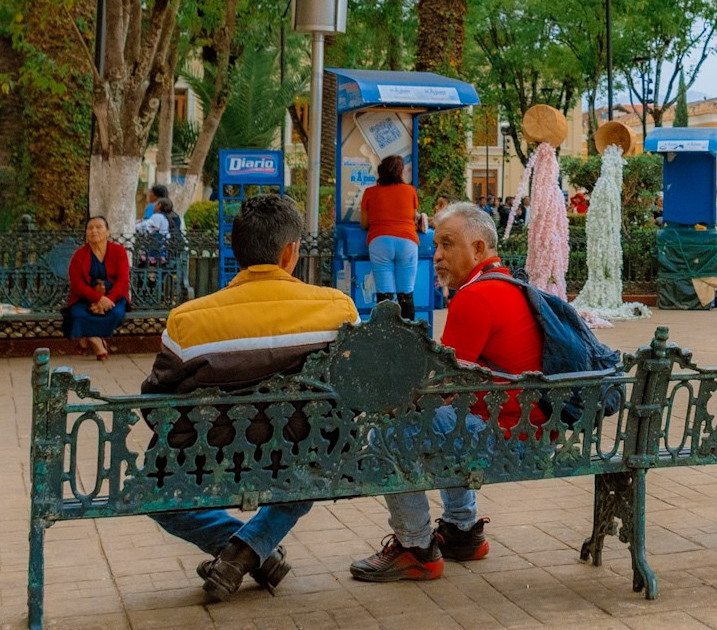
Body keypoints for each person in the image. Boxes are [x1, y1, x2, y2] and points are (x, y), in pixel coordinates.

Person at [143, 192, 359, 601]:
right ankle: (251, 549)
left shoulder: (188, 320)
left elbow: (158, 405)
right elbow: (355, 391)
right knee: (320, 453)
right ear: (290, 252)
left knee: (154, 488)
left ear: (235, 250)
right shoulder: (338, 309)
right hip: (305, 451)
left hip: (209, 458)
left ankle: (241, 550)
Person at [351, 202, 536, 582]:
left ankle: (415, 547)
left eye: (447, 244)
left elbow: (440, 388)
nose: (436, 256)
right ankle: (461, 531)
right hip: (528, 429)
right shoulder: (508, 284)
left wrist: (388, 402)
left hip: (509, 439)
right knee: (437, 422)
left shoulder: (475, 297)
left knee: (389, 433)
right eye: (435, 245)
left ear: (479, 248)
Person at [358, 153, 427, 320]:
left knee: (384, 296)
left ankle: (386, 339)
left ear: (381, 172)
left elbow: (364, 224)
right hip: (407, 242)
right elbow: (412, 216)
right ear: (400, 173)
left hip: (379, 242)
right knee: (406, 293)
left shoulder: (369, 192)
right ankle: (409, 337)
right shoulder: (410, 191)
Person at [65, 215, 131, 361]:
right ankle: (96, 341)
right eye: (90, 228)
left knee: (116, 314)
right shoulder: (79, 255)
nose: (94, 231)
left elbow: (123, 281)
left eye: (99, 227)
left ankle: (86, 338)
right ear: (86, 233)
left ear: (107, 232)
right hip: (85, 298)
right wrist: (98, 299)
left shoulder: (118, 251)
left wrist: (108, 300)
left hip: (113, 297)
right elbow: (76, 284)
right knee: (78, 315)